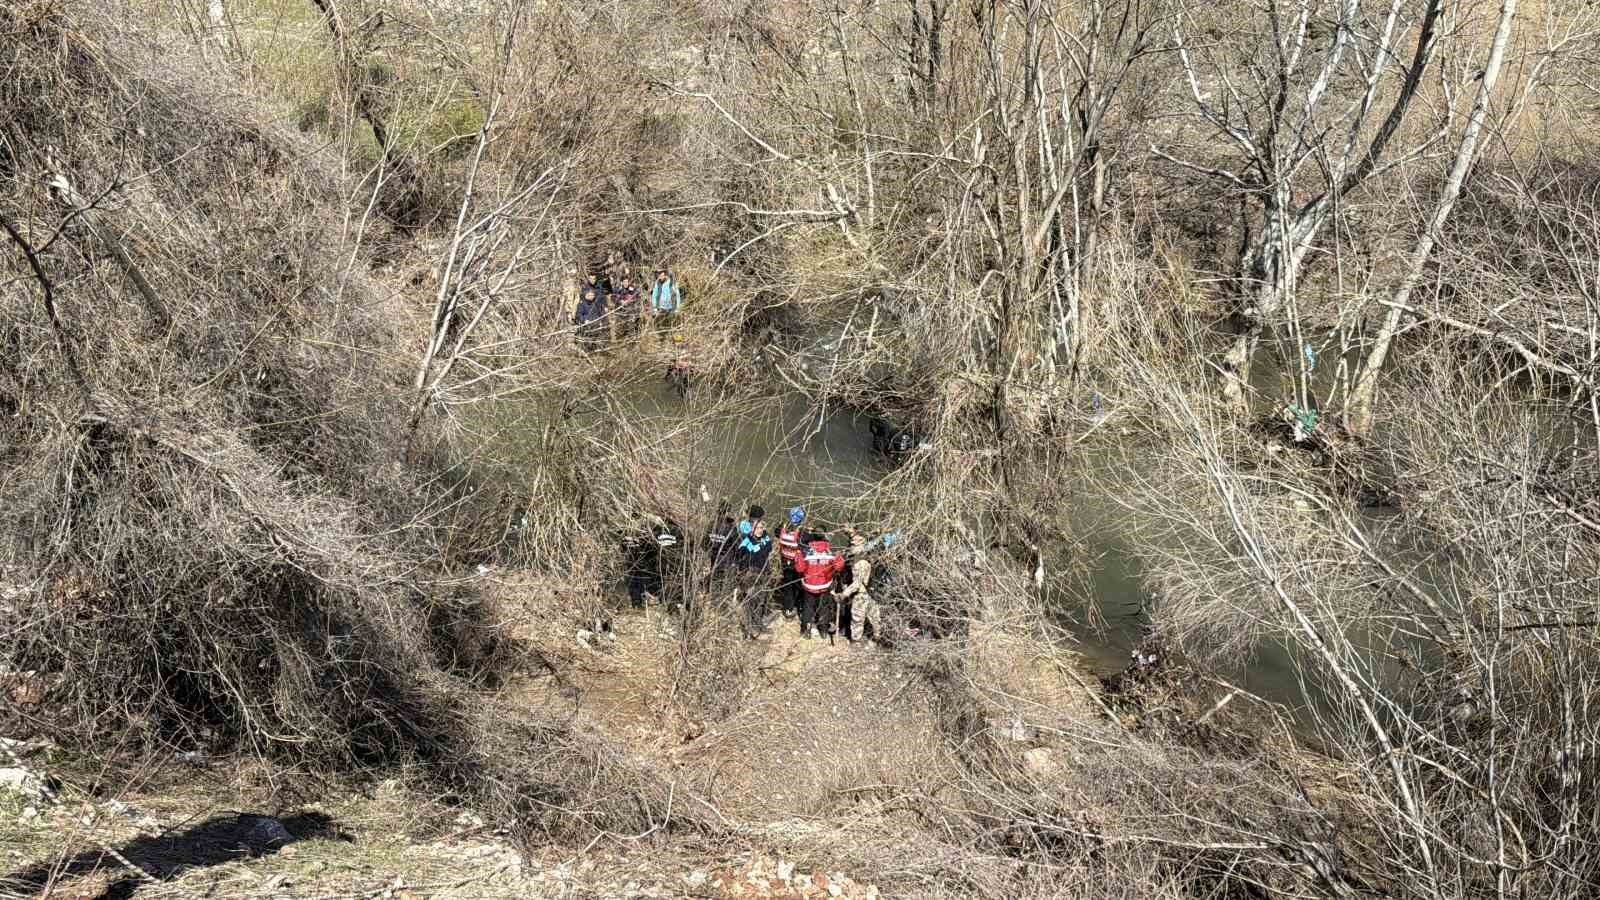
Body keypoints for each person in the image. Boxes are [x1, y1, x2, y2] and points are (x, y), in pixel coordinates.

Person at [792, 530, 844, 640]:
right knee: (824, 608)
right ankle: (823, 630)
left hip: (809, 586)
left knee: (808, 608)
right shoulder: (831, 551)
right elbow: (839, 567)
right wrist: (839, 556)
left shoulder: (806, 550)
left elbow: (799, 568)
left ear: (812, 537)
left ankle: (806, 630)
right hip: (825, 586)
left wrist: (798, 556)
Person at [835, 531, 879, 647]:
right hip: (870, 593)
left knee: (858, 618)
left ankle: (856, 641)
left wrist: (844, 593)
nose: (852, 547)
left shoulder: (860, 563)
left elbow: (857, 583)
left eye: (854, 545)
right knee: (873, 616)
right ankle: (877, 637)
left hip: (861, 594)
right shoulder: (864, 559)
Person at [775, 507, 806, 620]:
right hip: (796, 564)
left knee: (788, 585)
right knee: (797, 585)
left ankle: (788, 608)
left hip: (785, 562)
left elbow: (776, 532)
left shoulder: (782, 530)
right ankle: (797, 606)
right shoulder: (800, 534)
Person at [574, 286, 607, 351]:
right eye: (589, 295)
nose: (591, 296)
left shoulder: (596, 303)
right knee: (587, 338)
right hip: (587, 324)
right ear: (585, 295)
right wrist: (585, 320)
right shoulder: (581, 304)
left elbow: (600, 313)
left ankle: (597, 348)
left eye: (592, 295)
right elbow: (578, 315)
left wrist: (601, 321)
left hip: (596, 323)